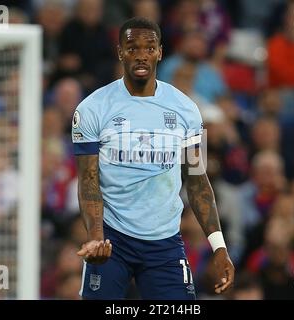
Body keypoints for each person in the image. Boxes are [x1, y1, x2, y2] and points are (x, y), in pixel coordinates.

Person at [71, 17, 234, 300]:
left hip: (165, 243)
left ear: (160, 51)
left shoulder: (187, 110)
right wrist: (96, 236)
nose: (141, 55)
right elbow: (88, 181)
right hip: (113, 238)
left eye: (149, 47)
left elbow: (197, 181)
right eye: (132, 48)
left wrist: (219, 247)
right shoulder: (92, 109)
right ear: (120, 52)